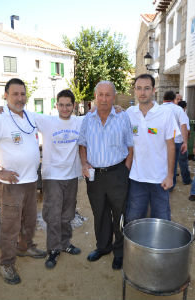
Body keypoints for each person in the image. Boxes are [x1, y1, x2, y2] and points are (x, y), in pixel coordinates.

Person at [0, 78, 46, 285]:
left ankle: (24, 247)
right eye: (15, 94)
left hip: (31, 180)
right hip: (11, 185)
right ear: (5, 95)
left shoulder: (31, 117)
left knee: (30, 220)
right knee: (9, 226)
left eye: (23, 94)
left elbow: (62, 118)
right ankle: (5, 263)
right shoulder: (0, 119)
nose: (20, 98)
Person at [78, 80, 133, 270]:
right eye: (100, 94)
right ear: (95, 96)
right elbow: (82, 144)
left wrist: (126, 169)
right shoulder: (87, 119)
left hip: (118, 173)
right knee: (99, 212)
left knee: (119, 214)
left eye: (108, 94)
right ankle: (103, 247)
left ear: (114, 97)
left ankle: (119, 252)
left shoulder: (122, 117)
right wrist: (84, 163)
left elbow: (130, 146)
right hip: (95, 177)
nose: (103, 98)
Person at [34, 90, 82, 269]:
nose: (64, 108)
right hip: (52, 176)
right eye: (61, 104)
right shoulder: (47, 121)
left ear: (73, 106)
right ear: (56, 105)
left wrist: (116, 108)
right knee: (53, 215)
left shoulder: (80, 121)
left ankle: (65, 243)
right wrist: (2, 109)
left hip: (71, 176)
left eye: (68, 105)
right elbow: (21, 112)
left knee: (68, 214)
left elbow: (100, 114)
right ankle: (53, 249)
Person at [126, 74, 179, 223]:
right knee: (134, 219)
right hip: (137, 178)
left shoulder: (165, 113)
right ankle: (137, 248)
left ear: (154, 90)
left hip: (160, 179)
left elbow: (171, 146)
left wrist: (170, 176)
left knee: (161, 220)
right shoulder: (130, 113)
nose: (142, 92)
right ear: (135, 90)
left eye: (147, 88)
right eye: (139, 88)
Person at [161, 91, 189, 189]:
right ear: (174, 99)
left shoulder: (158, 109)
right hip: (176, 142)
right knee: (172, 164)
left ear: (163, 99)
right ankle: (170, 186)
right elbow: (183, 126)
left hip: (161, 143)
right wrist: (185, 142)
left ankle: (161, 184)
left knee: (162, 164)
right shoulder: (178, 109)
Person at [177, 100, 192, 185]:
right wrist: (187, 139)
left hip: (173, 140)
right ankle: (186, 180)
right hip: (182, 141)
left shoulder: (173, 113)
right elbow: (188, 130)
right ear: (185, 107)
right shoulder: (184, 115)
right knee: (183, 161)